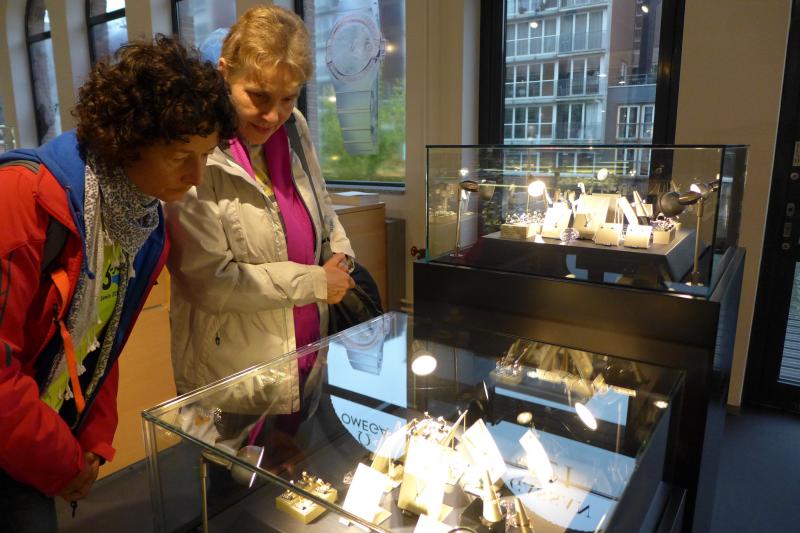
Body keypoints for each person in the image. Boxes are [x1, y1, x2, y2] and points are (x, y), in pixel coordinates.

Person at [0, 36, 236, 531]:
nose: (196, 176)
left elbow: (104, 341)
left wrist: (93, 442)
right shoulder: (21, 198)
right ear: (127, 139)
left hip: (37, 436)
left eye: (206, 155)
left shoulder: (144, 225)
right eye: (180, 155)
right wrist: (63, 460)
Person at [165, 6, 355, 405]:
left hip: (306, 345)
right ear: (224, 74)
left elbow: (321, 203)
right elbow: (211, 282)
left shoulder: (294, 126)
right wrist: (316, 282)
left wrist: (341, 253)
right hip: (236, 372)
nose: (273, 115)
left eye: (288, 97)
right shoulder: (194, 148)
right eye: (258, 96)